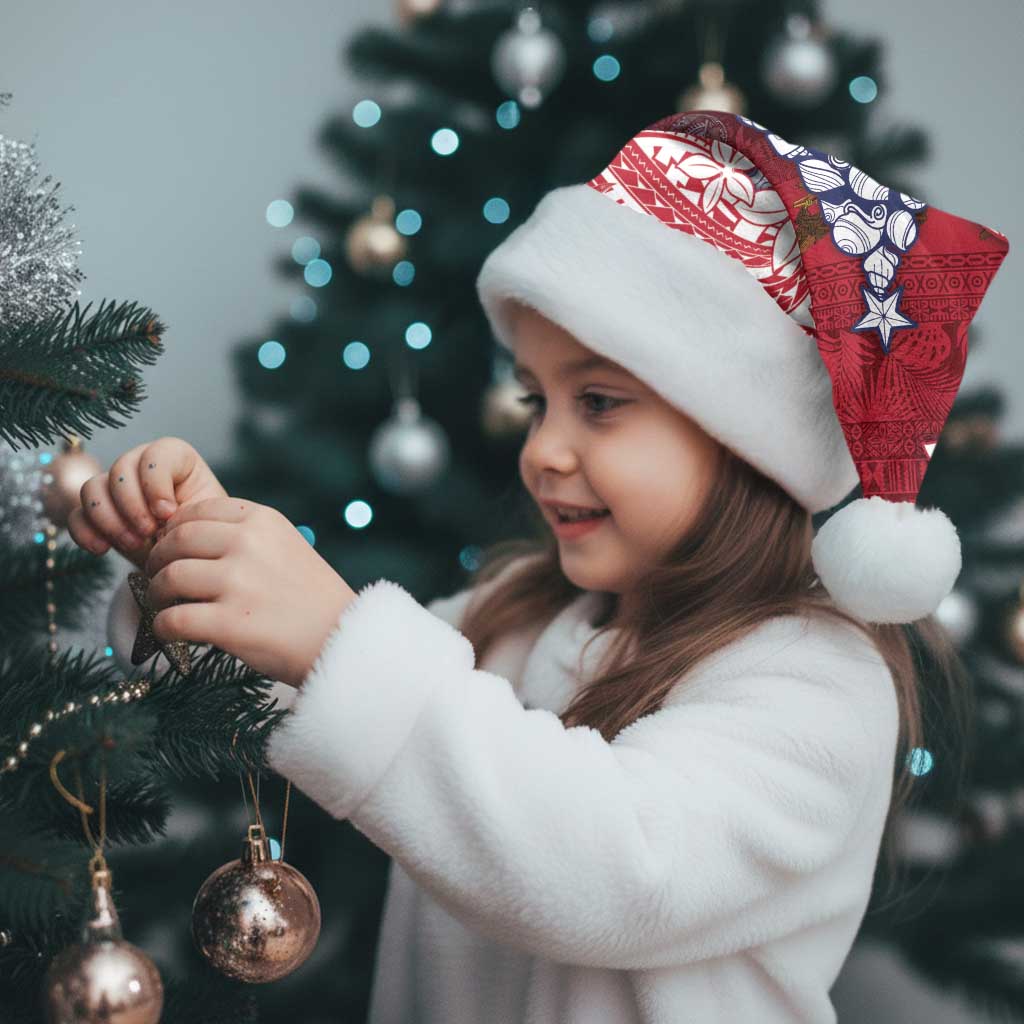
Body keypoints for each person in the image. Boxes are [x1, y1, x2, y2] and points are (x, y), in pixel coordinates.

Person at [73, 109, 1010, 1023]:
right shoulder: (514, 616)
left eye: (598, 402)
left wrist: (335, 635)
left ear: (746, 441)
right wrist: (190, 566)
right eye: (535, 402)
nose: (543, 450)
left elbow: (616, 871)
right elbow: (306, 691)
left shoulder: (818, 683)